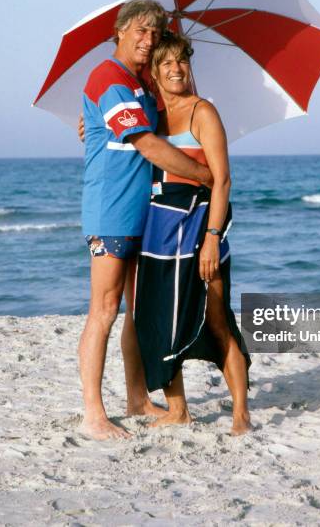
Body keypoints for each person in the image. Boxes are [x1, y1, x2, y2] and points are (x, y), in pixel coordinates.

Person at [78, 0, 213, 440]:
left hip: (147, 213)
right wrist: (202, 175)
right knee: (103, 310)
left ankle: (137, 398)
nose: (148, 40)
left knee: (136, 312)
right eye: (139, 31)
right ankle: (93, 414)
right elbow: (147, 144)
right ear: (118, 31)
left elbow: (165, 124)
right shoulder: (107, 78)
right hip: (111, 212)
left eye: (154, 33)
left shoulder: (142, 84)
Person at [133, 31, 252, 435]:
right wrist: (89, 127)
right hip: (160, 238)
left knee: (217, 321)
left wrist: (213, 237)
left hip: (201, 232)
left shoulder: (204, 112)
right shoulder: (148, 114)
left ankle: (241, 413)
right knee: (160, 320)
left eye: (181, 60)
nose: (175, 69)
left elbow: (222, 181)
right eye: (166, 62)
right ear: (154, 70)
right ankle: (178, 409)